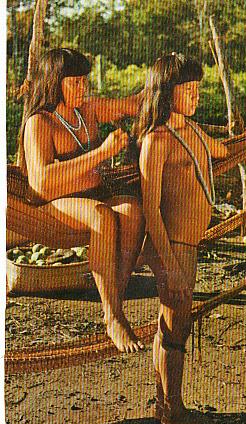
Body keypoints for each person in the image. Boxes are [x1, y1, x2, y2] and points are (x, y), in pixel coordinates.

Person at [20, 48, 145, 353]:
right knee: (103, 216)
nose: (82, 88)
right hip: (54, 204)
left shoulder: (86, 111)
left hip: (92, 193)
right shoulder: (40, 123)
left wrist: (158, 84)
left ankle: (114, 293)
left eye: (84, 82)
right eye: (74, 83)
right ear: (54, 83)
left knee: (132, 213)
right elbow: (42, 182)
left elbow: (129, 105)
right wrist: (102, 153)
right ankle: (113, 317)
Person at [135, 53, 229, 424]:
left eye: (197, 89)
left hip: (189, 244)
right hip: (173, 245)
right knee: (176, 330)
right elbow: (151, 209)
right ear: (165, 92)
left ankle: (166, 406)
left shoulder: (192, 130)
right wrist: (170, 264)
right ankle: (173, 413)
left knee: (171, 327)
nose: (195, 97)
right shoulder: (157, 141)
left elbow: (221, 150)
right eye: (187, 90)